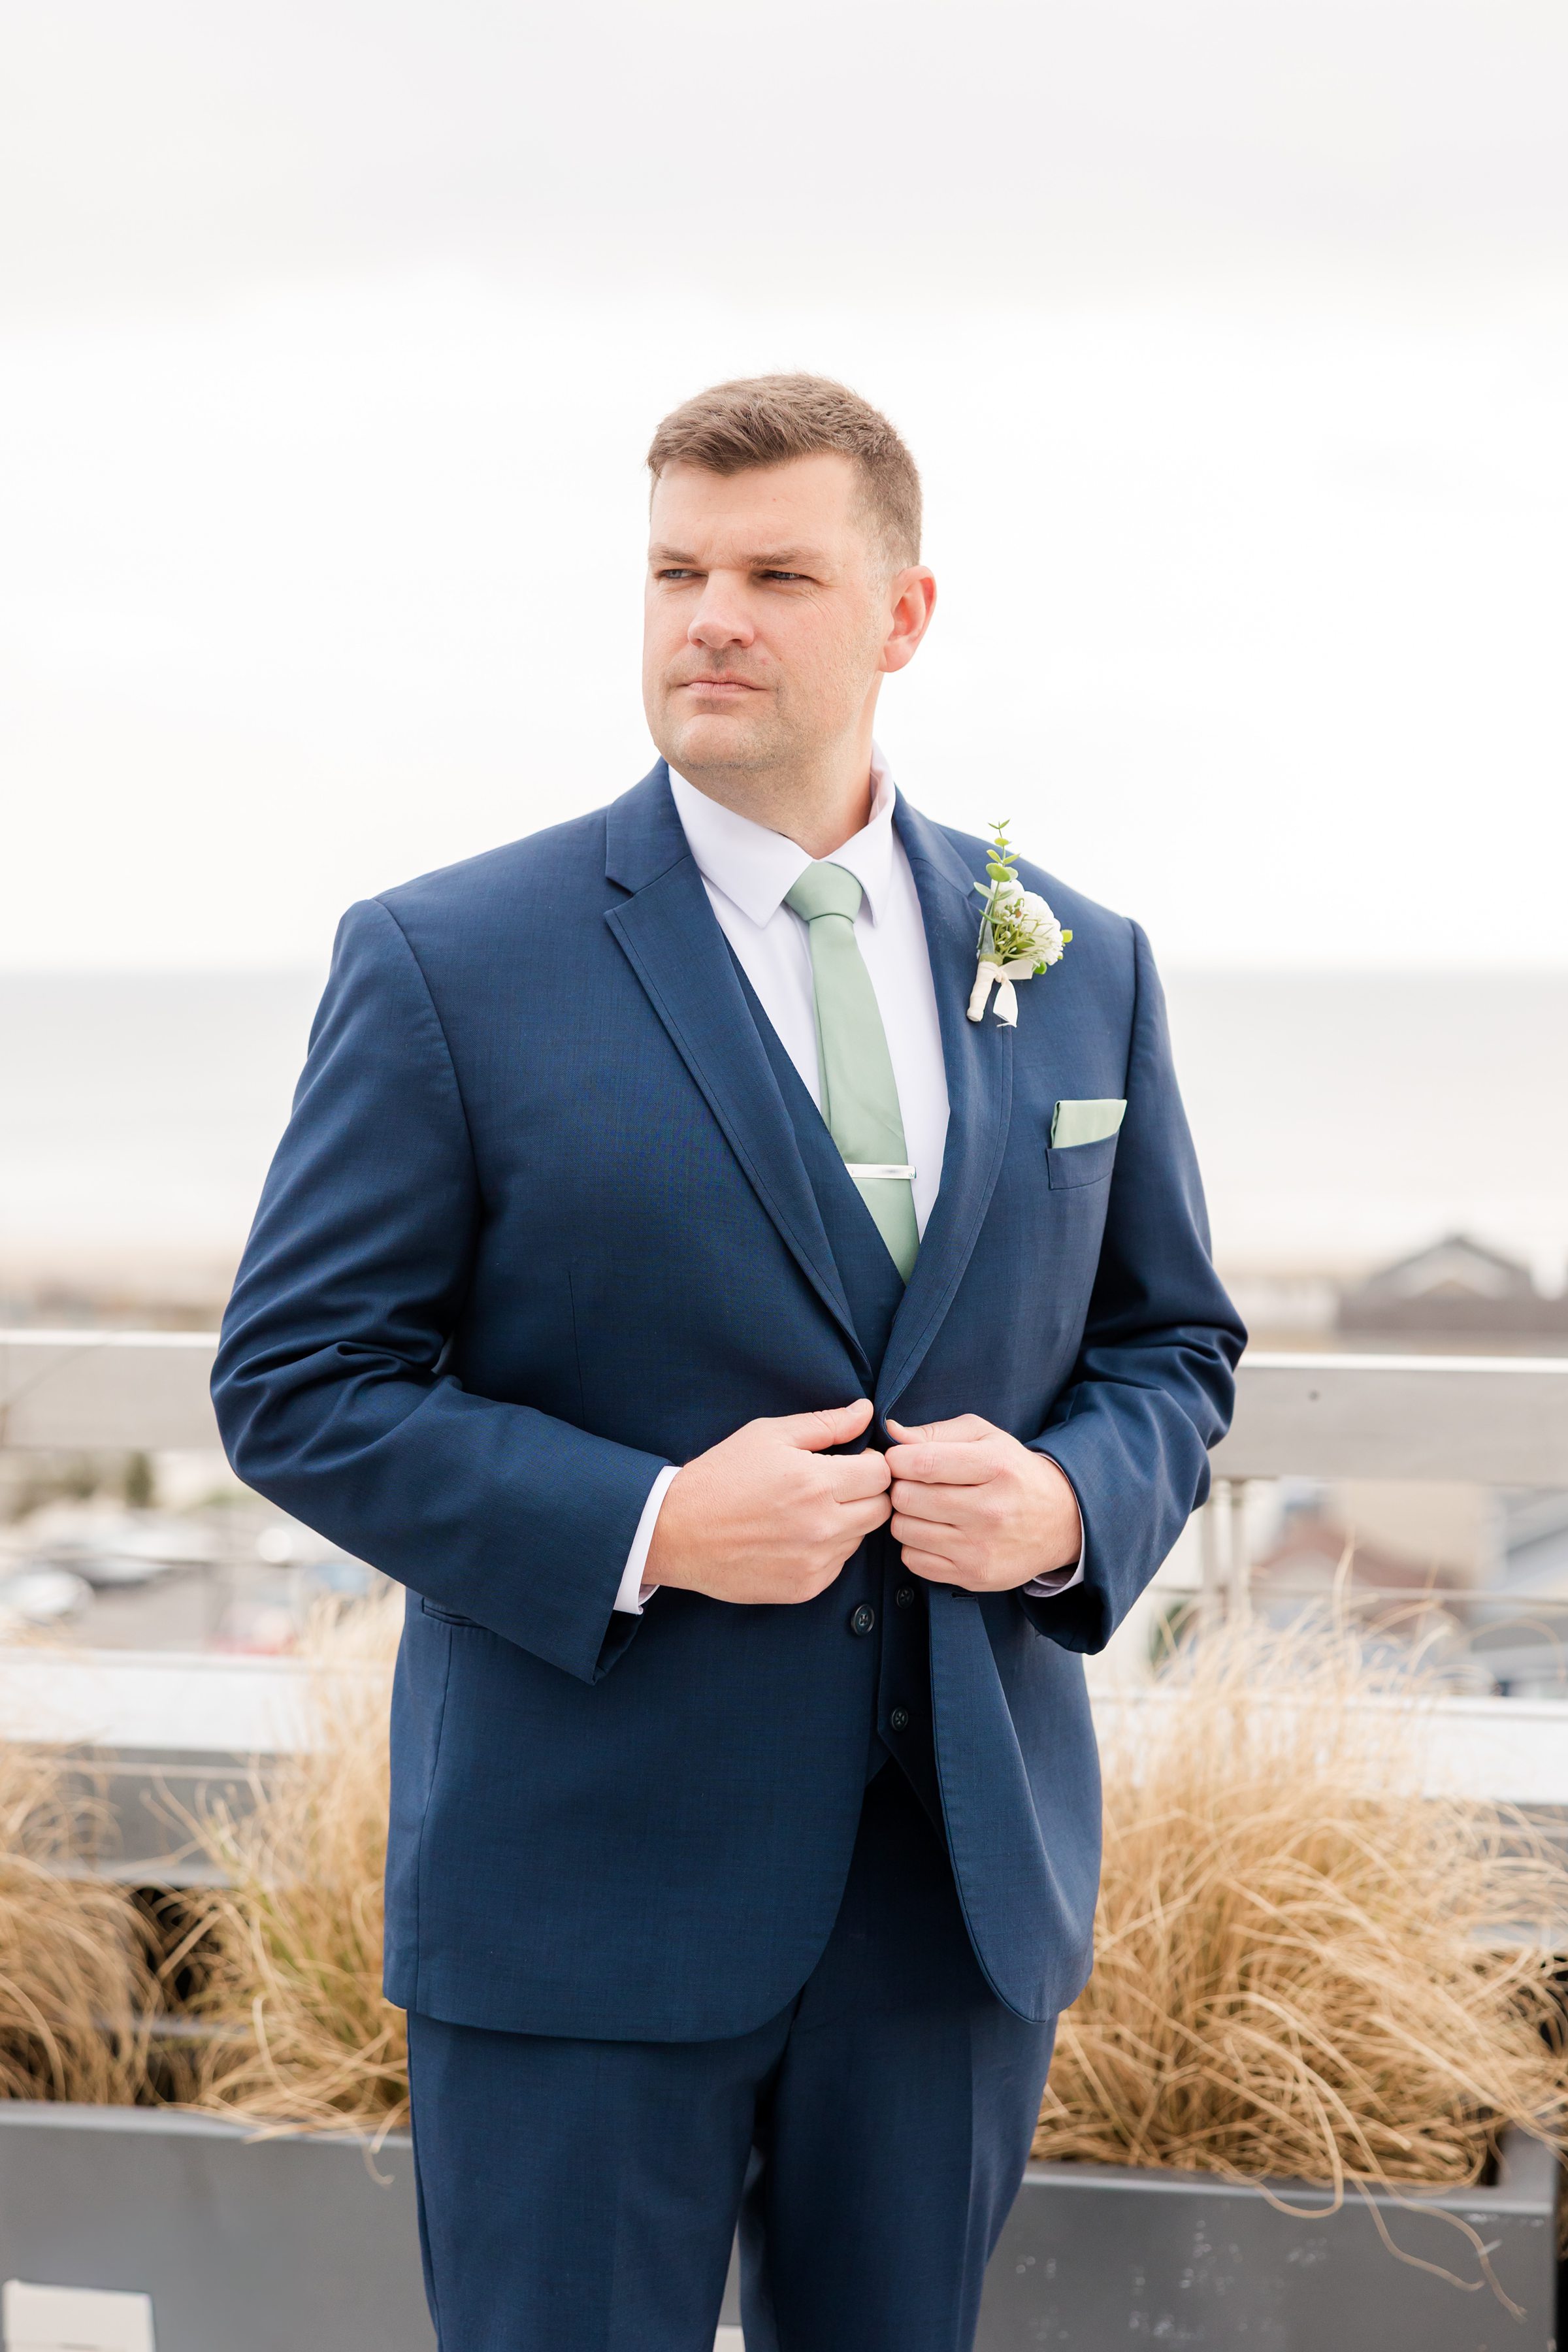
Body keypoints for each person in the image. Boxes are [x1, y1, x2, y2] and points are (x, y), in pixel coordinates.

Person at [213, 373, 1244, 2352]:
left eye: (777, 572)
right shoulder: (450, 957)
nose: (712, 616)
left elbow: (1168, 1342)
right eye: (678, 569)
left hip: (952, 1897)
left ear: (904, 617)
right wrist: (658, 1522)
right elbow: (299, 1380)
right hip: (582, 1894)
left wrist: (1063, 1505)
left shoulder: (1077, 959)